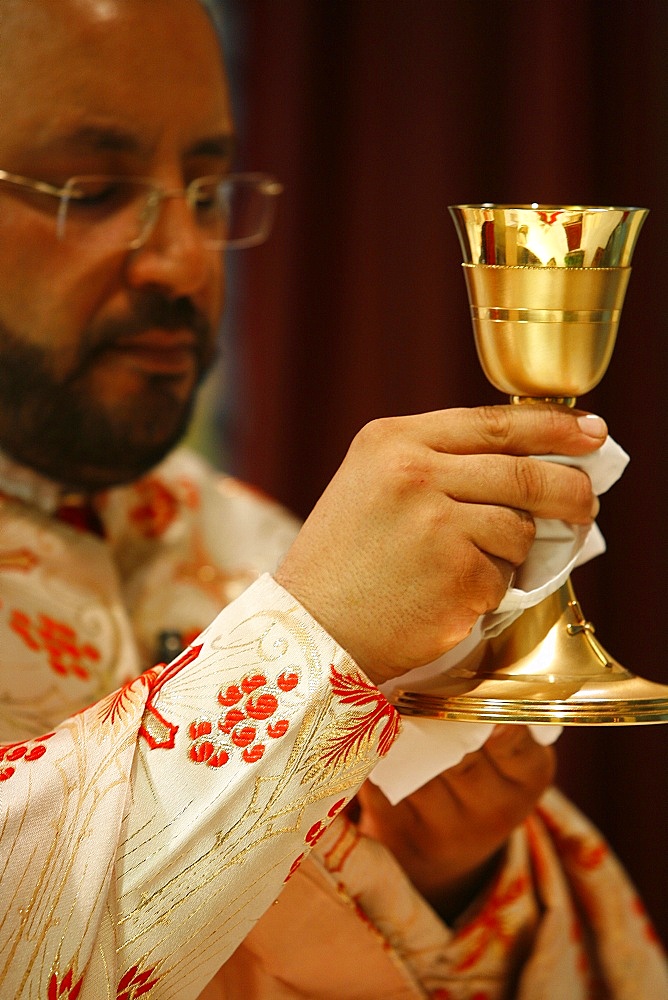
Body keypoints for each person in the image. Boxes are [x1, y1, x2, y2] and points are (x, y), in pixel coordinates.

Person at [0, 1, 665, 998]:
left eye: (212, 191)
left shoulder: (242, 536)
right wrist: (305, 640)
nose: (186, 261)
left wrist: (450, 874)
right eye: (93, 191)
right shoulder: (311, 583)